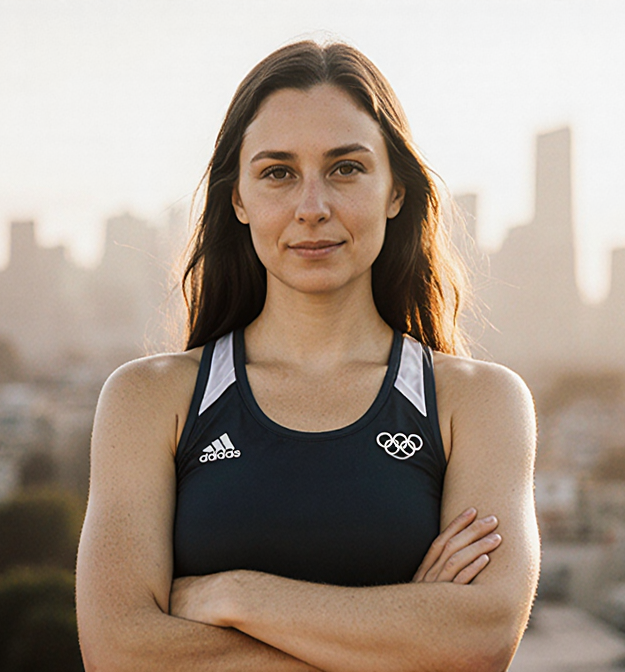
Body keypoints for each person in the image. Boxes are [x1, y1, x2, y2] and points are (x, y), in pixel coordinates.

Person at [76, 40, 539, 671]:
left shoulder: (478, 402)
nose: (312, 208)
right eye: (277, 172)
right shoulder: (149, 399)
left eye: (346, 168)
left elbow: (479, 639)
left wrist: (231, 593)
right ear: (237, 199)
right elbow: (121, 652)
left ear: (395, 193)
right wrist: (405, 638)